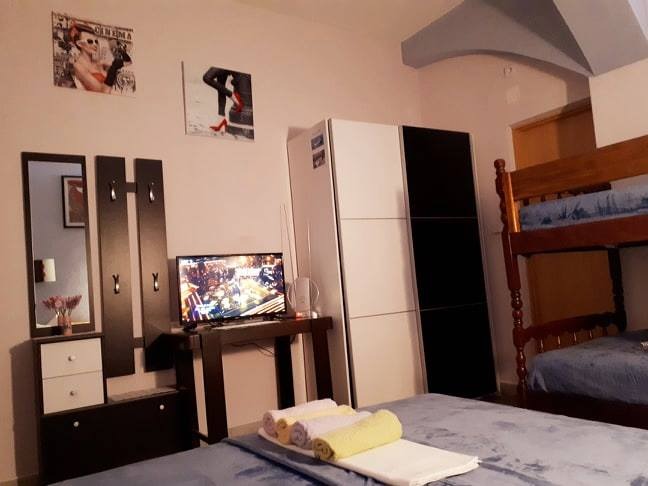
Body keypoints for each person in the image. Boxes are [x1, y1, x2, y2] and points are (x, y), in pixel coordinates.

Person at [69, 23, 131, 93]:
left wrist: (121, 50)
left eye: (96, 41)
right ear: (79, 44)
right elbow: (103, 92)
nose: (95, 44)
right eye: (90, 41)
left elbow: (128, 63)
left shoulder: (99, 62)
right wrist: (113, 69)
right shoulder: (78, 66)